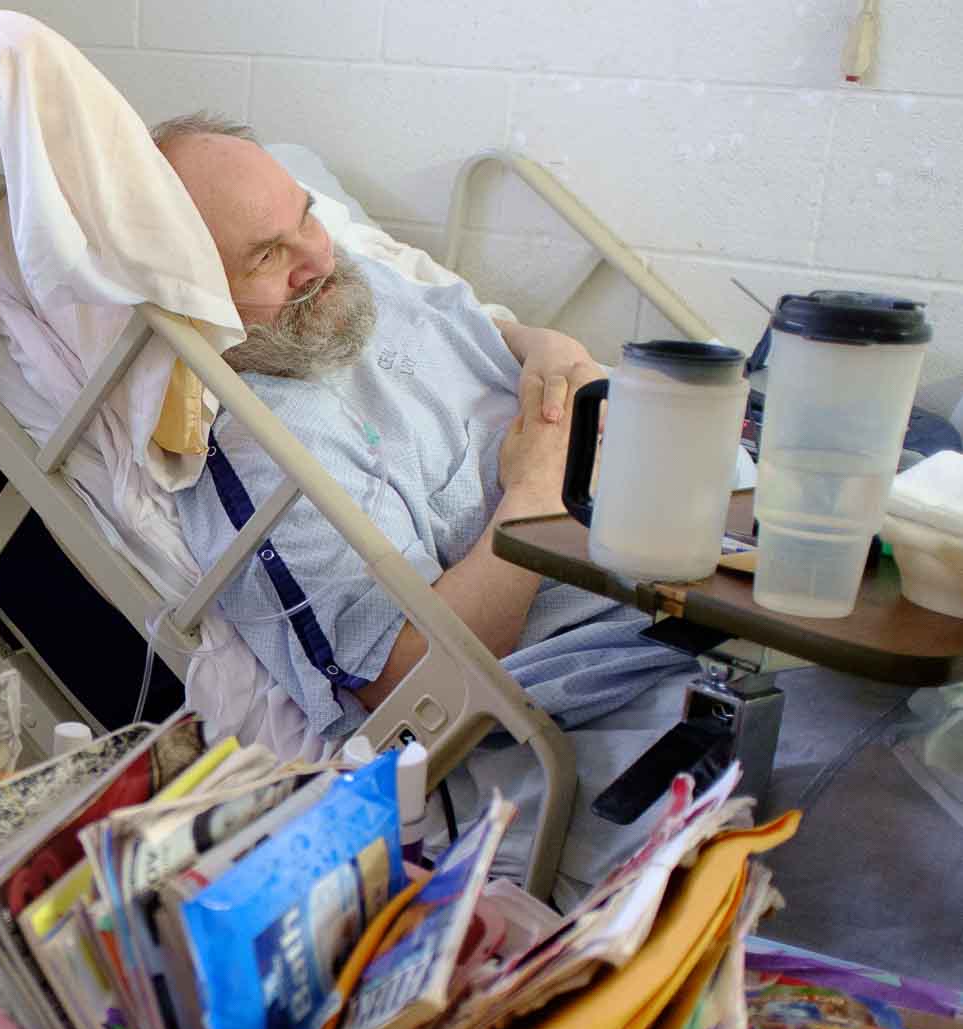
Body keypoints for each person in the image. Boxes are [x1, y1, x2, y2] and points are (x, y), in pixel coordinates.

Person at [158, 113, 688, 741]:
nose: (319, 259)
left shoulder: (344, 281)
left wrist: (544, 347)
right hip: (656, 625)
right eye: (267, 255)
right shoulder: (267, 450)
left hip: (707, 525)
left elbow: (459, 327)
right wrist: (539, 497)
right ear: (192, 296)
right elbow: (415, 684)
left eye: (306, 216)